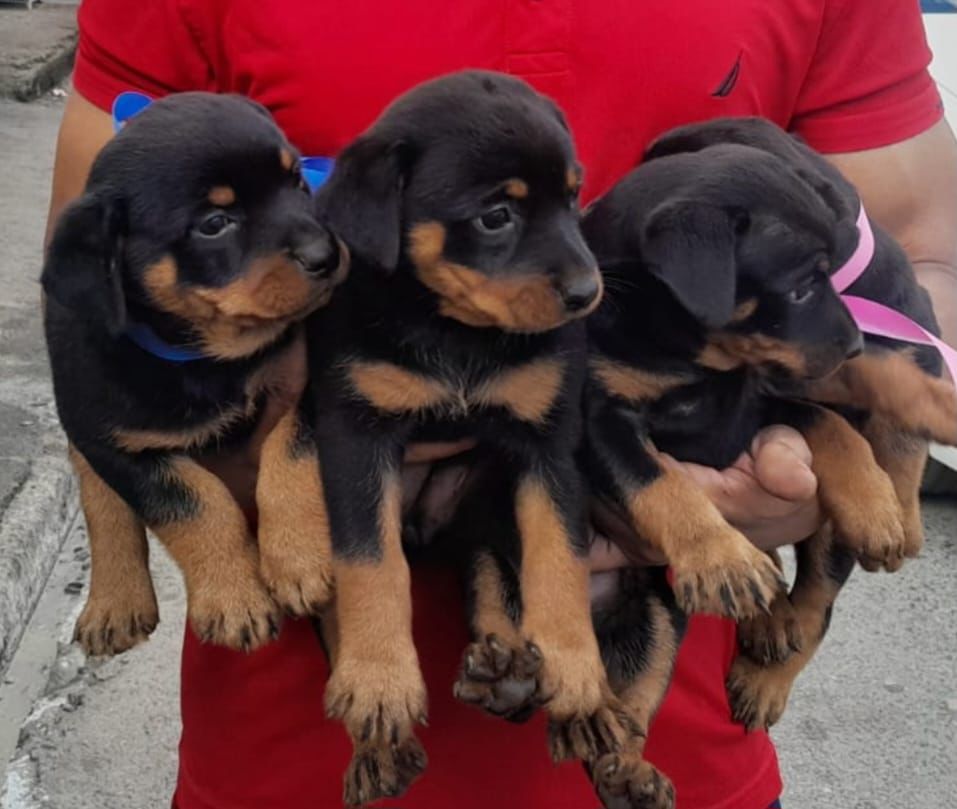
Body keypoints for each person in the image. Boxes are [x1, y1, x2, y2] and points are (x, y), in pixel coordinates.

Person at [45, 2, 957, 807]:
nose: (582, 277)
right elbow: (92, 299)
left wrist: (852, 456)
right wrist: (277, 464)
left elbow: (913, 267)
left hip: (675, 742)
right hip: (289, 752)